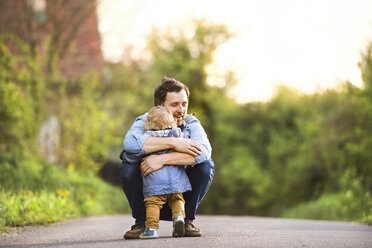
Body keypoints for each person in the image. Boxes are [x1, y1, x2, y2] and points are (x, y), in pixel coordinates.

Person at [119, 77, 215, 239]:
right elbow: (130, 143)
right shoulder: (146, 120)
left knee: (206, 166)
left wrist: (162, 159)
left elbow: (204, 152)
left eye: (184, 104)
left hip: (179, 194)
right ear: (160, 106)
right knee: (127, 166)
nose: (181, 110)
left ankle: (185, 221)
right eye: (174, 105)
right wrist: (174, 142)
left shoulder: (192, 123)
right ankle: (142, 222)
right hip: (150, 195)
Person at [135, 105, 191, 238]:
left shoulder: (148, 137)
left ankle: (151, 229)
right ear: (171, 121)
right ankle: (178, 218)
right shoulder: (176, 134)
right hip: (175, 178)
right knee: (177, 199)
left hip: (155, 179)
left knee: (153, 203)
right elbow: (187, 139)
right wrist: (185, 128)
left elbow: (136, 149)